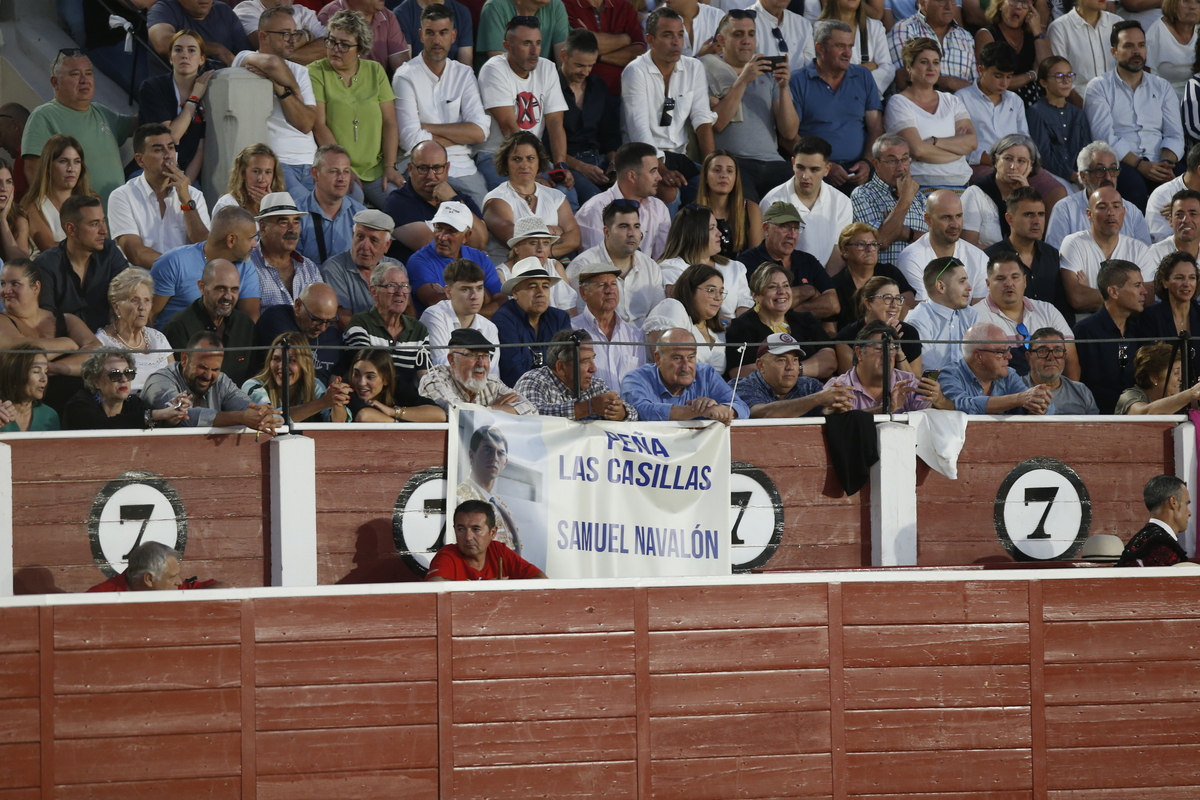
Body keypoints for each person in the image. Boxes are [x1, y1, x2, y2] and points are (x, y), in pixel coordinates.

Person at [391, 4, 490, 208]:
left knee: (483, 219)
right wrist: (459, 134)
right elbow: (410, 139)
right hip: (422, 169)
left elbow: (480, 132)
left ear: (453, 36)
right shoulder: (405, 75)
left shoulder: (464, 74)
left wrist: (427, 127)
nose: (437, 40)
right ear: (421, 35)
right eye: (430, 33)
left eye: (443, 33)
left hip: (462, 167)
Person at [308, 10, 404, 209]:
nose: (335, 49)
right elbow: (319, 124)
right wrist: (344, 169)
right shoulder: (316, 71)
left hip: (376, 168)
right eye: (332, 41)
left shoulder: (375, 70)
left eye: (344, 45)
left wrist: (390, 166)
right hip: (338, 170)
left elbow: (390, 122)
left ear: (360, 48)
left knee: (401, 205)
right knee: (354, 202)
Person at [621, 8, 718, 206]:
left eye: (680, 35)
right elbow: (638, 130)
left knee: (716, 187)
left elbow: (702, 119)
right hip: (642, 158)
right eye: (667, 35)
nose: (676, 42)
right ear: (650, 39)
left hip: (679, 157)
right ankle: (668, 238)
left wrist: (711, 165)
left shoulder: (693, 67)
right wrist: (660, 170)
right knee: (670, 194)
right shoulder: (635, 71)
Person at [1084, 21, 1183, 212]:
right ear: (1114, 52)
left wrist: (1166, 164)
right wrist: (1140, 165)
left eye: (1141, 45)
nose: (1137, 51)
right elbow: (1104, 137)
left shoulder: (1162, 86)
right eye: (1129, 46)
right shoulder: (1099, 87)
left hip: (1160, 160)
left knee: (1186, 186)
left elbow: (1175, 134)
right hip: (1121, 161)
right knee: (1135, 189)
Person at [701, 10, 797, 203]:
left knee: (795, 205)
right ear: (721, 40)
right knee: (748, 208)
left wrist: (784, 88)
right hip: (735, 164)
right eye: (738, 34)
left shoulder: (768, 73)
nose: (746, 40)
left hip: (774, 162)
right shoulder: (704, 69)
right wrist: (743, 80)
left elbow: (789, 132)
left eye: (751, 34)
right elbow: (718, 123)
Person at [21, 51, 134, 209]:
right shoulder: (43, 116)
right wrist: (59, 216)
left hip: (117, 221)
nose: (84, 80)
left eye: (88, 73)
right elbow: (34, 170)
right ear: (55, 82)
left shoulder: (102, 112)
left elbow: (138, 125)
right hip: (78, 225)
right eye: (75, 74)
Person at [232, 6, 321, 197]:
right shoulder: (244, 59)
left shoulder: (301, 71)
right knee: (304, 207)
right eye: (285, 34)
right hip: (279, 162)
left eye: (295, 34)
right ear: (264, 37)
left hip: (312, 161)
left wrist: (281, 88)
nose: (292, 40)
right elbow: (272, 64)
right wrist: (295, 90)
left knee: (350, 198)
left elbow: (306, 124)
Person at [476, 17, 571, 193]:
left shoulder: (547, 68)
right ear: (507, 46)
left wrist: (560, 165)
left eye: (538, 43)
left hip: (534, 156)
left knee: (565, 193)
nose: (535, 51)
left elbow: (556, 123)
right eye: (526, 44)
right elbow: (508, 128)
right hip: (496, 154)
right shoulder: (494, 69)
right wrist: (532, 175)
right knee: (522, 195)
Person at [790, 21, 884, 192]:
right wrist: (825, 166)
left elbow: (876, 127)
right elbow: (788, 136)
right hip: (814, 173)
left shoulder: (862, 75)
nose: (847, 53)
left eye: (850, 46)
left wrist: (868, 162)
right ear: (820, 47)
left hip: (859, 171)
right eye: (840, 46)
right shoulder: (797, 81)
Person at [107, 123, 211, 269]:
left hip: (185, 284)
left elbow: (204, 248)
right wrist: (178, 269)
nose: (168, 155)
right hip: (142, 284)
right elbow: (135, 253)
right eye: (158, 150)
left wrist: (186, 200)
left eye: (171, 147)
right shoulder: (122, 196)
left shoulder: (194, 195)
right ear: (140, 160)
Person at [884, 37, 977, 191]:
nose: (931, 68)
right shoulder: (899, 103)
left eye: (935, 62)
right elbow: (918, 150)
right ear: (909, 67)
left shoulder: (951, 100)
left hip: (961, 185)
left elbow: (972, 142)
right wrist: (957, 153)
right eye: (924, 62)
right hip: (921, 187)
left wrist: (934, 141)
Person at [141, 330, 280, 431]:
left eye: (215, 370)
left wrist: (261, 414)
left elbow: (245, 406)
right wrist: (242, 417)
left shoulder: (221, 381)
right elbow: (184, 417)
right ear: (184, 359)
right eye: (202, 367)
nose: (208, 376)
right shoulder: (159, 381)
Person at [969, 250, 1078, 376]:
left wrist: (1068, 393)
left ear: (1025, 281)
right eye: (1000, 278)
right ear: (988, 284)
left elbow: (1071, 361)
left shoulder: (1048, 311)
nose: (1009, 283)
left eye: (1015, 277)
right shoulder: (975, 317)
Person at [34, 195, 131, 331]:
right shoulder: (46, 265)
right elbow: (46, 320)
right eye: (94, 224)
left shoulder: (109, 252)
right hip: (67, 344)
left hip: (110, 339)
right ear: (71, 229)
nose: (104, 231)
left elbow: (129, 296)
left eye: (103, 221)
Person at [151, 206, 262, 324]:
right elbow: (148, 315)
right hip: (174, 340)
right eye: (251, 238)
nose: (255, 244)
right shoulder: (173, 262)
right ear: (231, 240)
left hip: (223, 341)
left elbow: (250, 318)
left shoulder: (246, 265)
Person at [482, 132, 581, 263]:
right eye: (517, 159)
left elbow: (574, 238)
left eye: (530, 158)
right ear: (506, 163)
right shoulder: (496, 199)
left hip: (550, 269)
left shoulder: (556, 196)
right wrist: (552, 230)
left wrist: (545, 252)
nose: (524, 165)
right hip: (510, 272)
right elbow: (515, 238)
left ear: (539, 161)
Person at [726, 261, 837, 378]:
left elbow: (829, 361)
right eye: (773, 287)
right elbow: (740, 372)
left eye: (786, 285)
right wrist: (794, 372)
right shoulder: (742, 326)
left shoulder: (805, 320)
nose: (782, 291)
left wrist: (797, 370)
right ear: (756, 295)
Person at [0, 259, 98, 392]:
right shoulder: (2, 320)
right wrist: (67, 344)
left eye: (15, 284)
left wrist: (55, 367)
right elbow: (18, 352)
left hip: (75, 400)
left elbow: (98, 353)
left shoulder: (67, 320)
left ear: (36, 287)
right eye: (2, 284)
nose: (6, 290)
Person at [383, 141, 487, 263]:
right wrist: (476, 257)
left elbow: (480, 242)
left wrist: (454, 201)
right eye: (423, 168)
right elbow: (436, 250)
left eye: (437, 168)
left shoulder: (459, 198)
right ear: (410, 169)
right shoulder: (397, 203)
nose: (431, 176)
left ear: (447, 168)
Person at [568, 198, 666, 328]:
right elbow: (579, 320)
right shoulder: (583, 266)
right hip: (601, 342)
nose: (632, 233)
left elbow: (658, 316)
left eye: (636, 226)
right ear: (607, 232)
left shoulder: (650, 266)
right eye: (624, 226)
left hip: (644, 342)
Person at [760, 137, 855, 270]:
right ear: (793, 163)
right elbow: (769, 254)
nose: (805, 176)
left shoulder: (842, 202)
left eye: (814, 170)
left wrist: (824, 287)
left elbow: (837, 253)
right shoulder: (771, 201)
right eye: (800, 167)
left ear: (827, 169)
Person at [620, 327, 750, 423]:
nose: (686, 366)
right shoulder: (636, 378)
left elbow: (742, 408)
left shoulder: (706, 374)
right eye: (677, 358)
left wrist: (723, 410)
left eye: (691, 357)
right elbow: (639, 411)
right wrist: (698, 411)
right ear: (658, 359)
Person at [162, 259, 258, 388]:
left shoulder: (245, 325)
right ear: (202, 287)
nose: (228, 296)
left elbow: (254, 375)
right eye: (221, 288)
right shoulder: (179, 326)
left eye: (234, 289)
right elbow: (178, 382)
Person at [736, 201, 839, 320]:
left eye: (796, 228)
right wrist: (809, 291)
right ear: (766, 228)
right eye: (784, 227)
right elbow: (761, 304)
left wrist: (785, 314)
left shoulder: (808, 261)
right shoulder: (747, 262)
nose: (792, 235)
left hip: (808, 334)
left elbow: (833, 305)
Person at [1059, 186, 1153, 313]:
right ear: (1089, 214)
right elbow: (1078, 297)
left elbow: (1147, 298)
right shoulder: (1074, 243)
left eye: (1116, 206)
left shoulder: (1139, 249)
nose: (1110, 213)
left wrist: (1092, 293)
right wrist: (1129, 296)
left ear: (1124, 212)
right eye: (1102, 207)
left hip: (1131, 328)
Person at [962, 135, 1065, 248]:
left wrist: (1025, 195)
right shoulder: (975, 194)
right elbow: (968, 246)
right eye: (1008, 158)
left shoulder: (1030, 194)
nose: (1013, 166)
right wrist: (1009, 254)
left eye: (1021, 161)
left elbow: (1034, 240)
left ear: (1030, 166)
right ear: (996, 161)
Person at [556, 29, 621, 206]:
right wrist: (581, 167)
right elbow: (547, 142)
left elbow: (610, 132)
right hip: (568, 163)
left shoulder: (598, 85)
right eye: (579, 65)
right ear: (563, 56)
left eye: (590, 66)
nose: (585, 72)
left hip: (600, 161)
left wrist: (614, 164)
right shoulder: (551, 85)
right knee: (598, 203)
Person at [1045, 141, 1151, 248]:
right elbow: (1056, 255)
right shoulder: (1065, 209)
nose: (1108, 177)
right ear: (1083, 176)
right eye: (1100, 170)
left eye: (1113, 170)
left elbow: (1145, 255)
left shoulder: (1132, 212)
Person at [658, 203, 753, 322]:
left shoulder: (734, 267)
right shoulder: (670, 269)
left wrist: (740, 330)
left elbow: (745, 306)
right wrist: (728, 323)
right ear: (694, 234)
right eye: (712, 228)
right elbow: (688, 311)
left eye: (717, 227)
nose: (720, 233)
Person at [136, 31, 209, 185]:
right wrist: (194, 98)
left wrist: (186, 184)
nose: (184, 55)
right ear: (170, 57)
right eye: (178, 50)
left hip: (186, 173)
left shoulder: (210, 92)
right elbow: (171, 137)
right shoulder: (152, 87)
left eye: (191, 50)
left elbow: (201, 147)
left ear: (202, 59)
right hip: (151, 169)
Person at [576, 142, 672, 259]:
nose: (659, 177)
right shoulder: (595, 209)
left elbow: (663, 259)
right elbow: (597, 264)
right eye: (653, 171)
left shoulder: (659, 208)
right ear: (632, 176)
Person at [1072, 258, 1145, 413]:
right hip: (1101, 417)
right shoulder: (1086, 331)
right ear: (1113, 292)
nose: (1144, 291)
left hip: (1138, 413)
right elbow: (1089, 386)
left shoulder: (1139, 330)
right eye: (1137, 286)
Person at [825, 321, 949, 411]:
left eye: (892, 349)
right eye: (879, 349)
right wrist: (887, 409)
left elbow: (934, 419)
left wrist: (939, 400)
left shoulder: (908, 383)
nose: (887, 355)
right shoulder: (838, 387)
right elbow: (837, 425)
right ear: (859, 353)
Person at [513, 328, 636, 419]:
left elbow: (633, 414)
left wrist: (619, 412)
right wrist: (588, 407)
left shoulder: (594, 384)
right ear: (561, 367)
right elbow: (531, 417)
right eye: (585, 361)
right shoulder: (533, 380)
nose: (593, 369)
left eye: (593, 359)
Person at [984, 186, 1068, 317]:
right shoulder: (990, 257)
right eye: (1028, 215)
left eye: (1041, 214)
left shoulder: (1051, 254)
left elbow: (1062, 305)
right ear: (1009, 219)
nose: (1036, 221)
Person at [937, 321, 1055, 412]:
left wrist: (1038, 406)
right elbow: (962, 406)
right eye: (1001, 352)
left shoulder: (1009, 375)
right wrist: (1018, 399)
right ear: (978, 356)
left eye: (1008, 350)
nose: (1009, 356)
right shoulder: (949, 375)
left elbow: (1040, 407)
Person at [408, 201, 504, 314]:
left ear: (466, 236)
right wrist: (484, 296)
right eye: (438, 228)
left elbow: (501, 300)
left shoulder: (480, 257)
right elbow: (434, 302)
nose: (442, 237)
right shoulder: (419, 260)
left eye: (451, 231)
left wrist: (470, 318)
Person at [732, 331, 854, 417]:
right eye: (781, 360)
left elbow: (823, 413)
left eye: (795, 360)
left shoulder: (809, 385)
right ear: (761, 365)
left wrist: (835, 409)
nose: (790, 367)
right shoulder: (742, 386)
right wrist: (817, 399)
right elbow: (760, 413)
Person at [63, 347, 190, 429]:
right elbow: (102, 425)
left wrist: (172, 417)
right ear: (96, 382)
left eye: (128, 373)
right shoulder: (78, 405)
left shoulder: (133, 403)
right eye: (115, 374)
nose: (124, 379)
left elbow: (156, 424)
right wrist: (154, 415)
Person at [417, 327, 538, 413]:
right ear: (452, 360)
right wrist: (498, 411)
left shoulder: (492, 382)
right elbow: (457, 412)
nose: (481, 363)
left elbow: (531, 409)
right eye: (472, 355)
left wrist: (489, 409)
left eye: (485, 356)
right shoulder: (435, 379)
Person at [345, 263, 431, 382]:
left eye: (404, 285)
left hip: (406, 399)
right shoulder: (360, 323)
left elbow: (425, 377)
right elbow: (367, 375)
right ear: (374, 292)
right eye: (392, 286)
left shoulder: (418, 329)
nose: (400, 292)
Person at [897, 189, 988, 301]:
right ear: (928, 220)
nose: (955, 224)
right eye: (946, 217)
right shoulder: (911, 258)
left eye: (958, 216)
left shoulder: (978, 257)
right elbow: (922, 311)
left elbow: (980, 310)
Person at [493, 256, 573, 384]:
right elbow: (513, 371)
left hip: (557, 393)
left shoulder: (560, 318)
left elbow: (568, 365)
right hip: (519, 395)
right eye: (532, 287)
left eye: (545, 286)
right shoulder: (504, 319)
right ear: (515, 293)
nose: (540, 292)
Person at [852, 134, 929, 267]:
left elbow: (936, 242)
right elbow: (881, 240)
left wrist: (905, 233)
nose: (900, 167)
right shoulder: (863, 194)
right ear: (875, 164)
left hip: (920, 277)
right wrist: (905, 199)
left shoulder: (920, 197)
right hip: (884, 281)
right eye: (892, 161)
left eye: (905, 159)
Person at [954, 43, 1030, 176]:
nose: (1004, 83)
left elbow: (1024, 138)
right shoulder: (961, 98)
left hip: (1017, 164)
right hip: (981, 164)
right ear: (981, 70)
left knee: (1057, 190)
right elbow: (957, 143)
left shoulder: (1015, 100)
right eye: (998, 76)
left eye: (1009, 76)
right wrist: (986, 158)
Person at [320, 208, 406, 325]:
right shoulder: (334, 268)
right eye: (360, 237)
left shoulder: (396, 267)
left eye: (373, 240)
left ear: (387, 245)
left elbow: (407, 312)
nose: (365, 246)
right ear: (353, 235)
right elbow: (343, 320)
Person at [95, 267, 175, 393]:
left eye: (147, 300)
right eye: (135, 300)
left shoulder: (158, 338)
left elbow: (175, 381)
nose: (142, 307)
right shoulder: (102, 343)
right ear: (117, 307)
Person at [569, 261, 647, 391]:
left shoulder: (633, 334)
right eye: (601, 285)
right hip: (588, 408)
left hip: (627, 409)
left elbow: (640, 383)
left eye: (613, 284)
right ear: (583, 293)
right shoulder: (572, 331)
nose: (610, 290)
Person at [242, 331, 352, 421]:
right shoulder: (253, 386)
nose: (282, 366)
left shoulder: (314, 385)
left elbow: (338, 424)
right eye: (276, 359)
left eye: (291, 361)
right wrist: (323, 402)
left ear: (304, 364)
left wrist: (337, 399)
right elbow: (270, 419)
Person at [425, 500, 547, 580]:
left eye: (476, 529)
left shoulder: (499, 551)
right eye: (461, 529)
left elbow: (541, 579)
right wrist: (486, 588)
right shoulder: (449, 554)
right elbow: (434, 588)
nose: (468, 537)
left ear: (492, 532)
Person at [643, 264, 730, 375]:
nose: (718, 297)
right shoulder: (672, 307)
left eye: (721, 292)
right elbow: (668, 365)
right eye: (711, 290)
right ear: (690, 291)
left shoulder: (718, 331)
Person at [421, 258, 501, 375]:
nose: (474, 296)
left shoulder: (490, 328)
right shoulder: (434, 316)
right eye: (466, 289)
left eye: (479, 288)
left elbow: (492, 375)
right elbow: (443, 367)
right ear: (448, 292)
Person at [18, 136, 95, 257]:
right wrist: (88, 244)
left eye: (77, 161)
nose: (71, 169)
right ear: (48, 166)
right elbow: (49, 248)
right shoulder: (32, 205)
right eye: (63, 161)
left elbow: (101, 242)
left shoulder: (92, 199)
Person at [255, 281, 345, 382]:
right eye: (316, 320)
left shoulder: (335, 337)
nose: (322, 328)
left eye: (329, 321)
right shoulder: (275, 320)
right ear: (298, 306)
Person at [831, 222, 914, 330]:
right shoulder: (835, 284)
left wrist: (890, 331)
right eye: (861, 244)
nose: (869, 249)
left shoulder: (890, 272)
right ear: (845, 251)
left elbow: (908, 304)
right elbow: (830, 328)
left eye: (874, 244)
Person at [834, 274, 923, 374]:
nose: (895, 305)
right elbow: (852, 382)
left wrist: (898, 353)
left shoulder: (909, 332)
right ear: (868, 303)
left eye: (898, 299)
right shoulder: (846, 337)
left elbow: (914, 383)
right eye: (887, 298)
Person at [1026, 56, 1092, 189]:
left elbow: (1086, 149)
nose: (1066, 81)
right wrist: (1072, 175)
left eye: (1069, 75)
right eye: (1059, 76)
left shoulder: (1078, 113)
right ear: (1044, 83)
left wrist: (1083, 174)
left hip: (1079, 174)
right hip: (1051, 174)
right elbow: (1043, 154)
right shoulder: (1036, 112)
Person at [454, 424, 523, 550]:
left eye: (500, 453)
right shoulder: (458, 495)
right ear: (471, 455)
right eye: (487, 450)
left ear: (505, 463)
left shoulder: (501, 504)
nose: (494, 458)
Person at [249, 191, 323, 308]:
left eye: (296, 222)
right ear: (263, 227)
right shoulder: (248, 265)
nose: (293, 230)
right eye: (283, 223)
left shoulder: (309, 268)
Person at [295, 145, 368, 265]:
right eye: (334, 171)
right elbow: (291, 265)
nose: (342, 178)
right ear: (315, 173)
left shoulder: (362, 215)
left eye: (346, 172)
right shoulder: (295, 214)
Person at [562, 0, 646, 98]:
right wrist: (625, 39)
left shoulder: (624, 6)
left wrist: (595, 56)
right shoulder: (567, 4)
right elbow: (580, 44)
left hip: (622, 93)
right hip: (581, 94)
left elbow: (638, 53)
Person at [974, 0, 1051, 106]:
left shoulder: (1034, 35)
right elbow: (996, 80)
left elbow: (1048, 70)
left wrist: (1037, 30)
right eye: (1014, 1)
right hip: (1001, 103)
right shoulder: (986, 34)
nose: (1018, 7)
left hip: (1035, 103)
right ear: (1000, 4)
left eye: (1025, 2)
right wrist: (1032, 75)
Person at [905, 255, 976, 370]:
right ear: (941, 287)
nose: (969, 287)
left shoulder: (971, 315)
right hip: (936, 386)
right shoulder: (917, 321)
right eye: (962, 281)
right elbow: (928, 372)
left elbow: (981, 360)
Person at [889, 0, 977, 90]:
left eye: (953, 1)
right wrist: (948, 82)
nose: (949, 7)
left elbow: (974, 85)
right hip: (915, 103)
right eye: (942, 1)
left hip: (960, 102)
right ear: (923, 3)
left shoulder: (965, 37)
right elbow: (903, 79)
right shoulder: (905, 29)